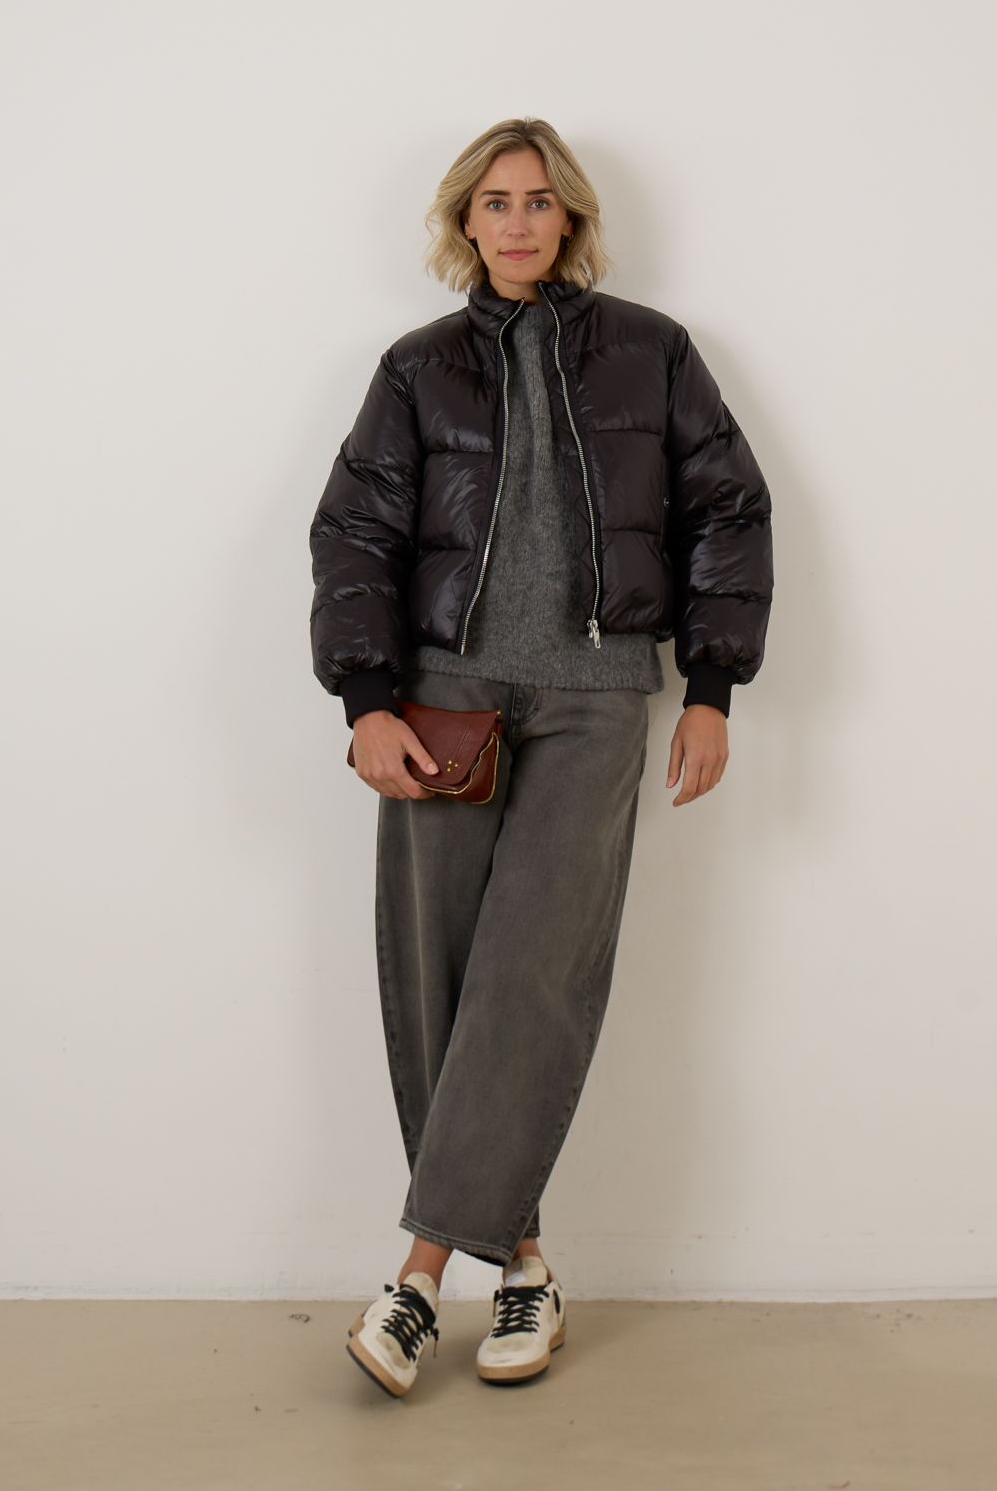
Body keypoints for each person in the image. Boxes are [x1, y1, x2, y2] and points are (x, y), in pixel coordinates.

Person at [310, 118, 772, 1398]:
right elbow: (355, 532)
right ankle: (521, 1266)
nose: (516, 223)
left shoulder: (653, 352)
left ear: (569, 218)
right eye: (494, 202)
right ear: (465, 221)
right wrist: (365, 701)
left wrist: (713, 689)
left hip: (594, 699)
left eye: (537, 201)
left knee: (532, 975)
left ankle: (414, 1280)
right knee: (438, 982)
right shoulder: (416, 368)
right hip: (443, 702)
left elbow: (729, 508)